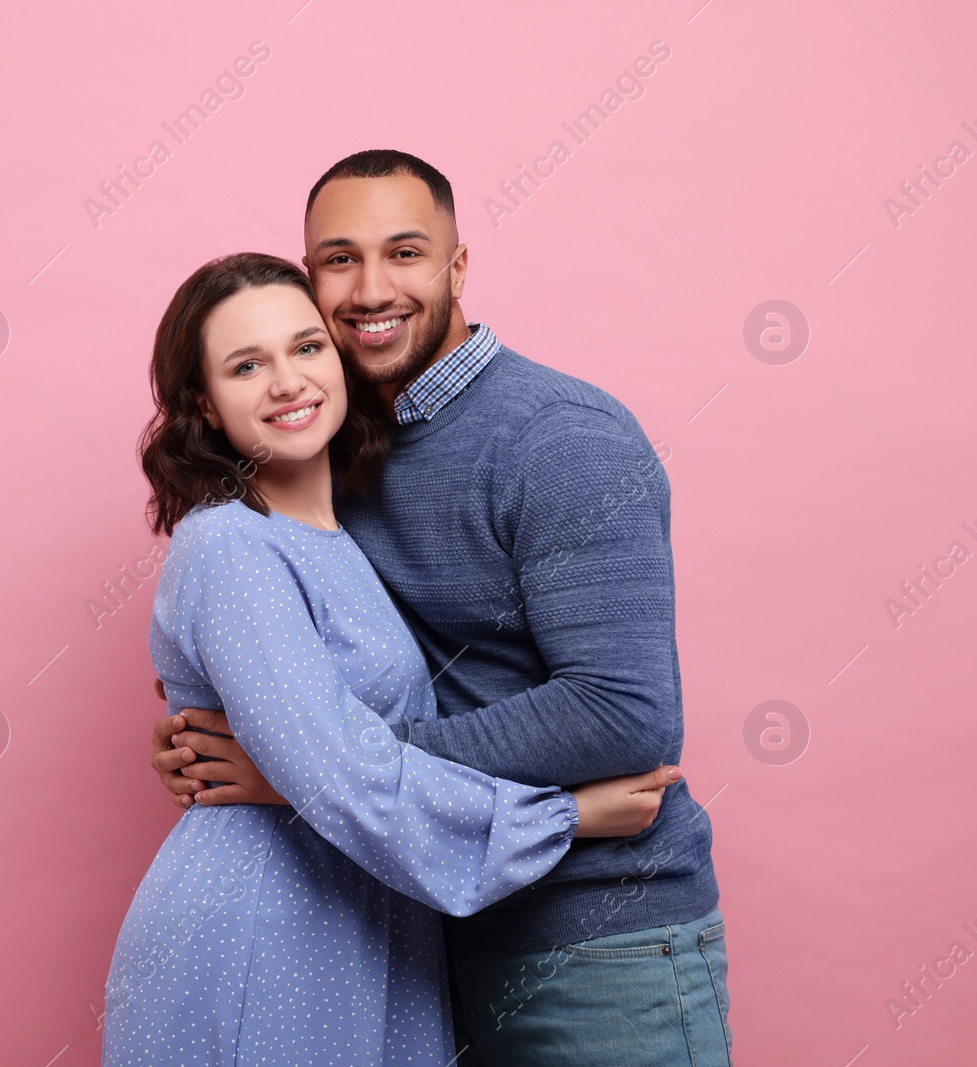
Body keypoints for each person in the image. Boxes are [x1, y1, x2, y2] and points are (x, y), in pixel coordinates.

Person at [148, 150, 732, 1066]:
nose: (372, 287)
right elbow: (272, 651)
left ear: (458, 268)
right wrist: (273, 749)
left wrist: (300, 768)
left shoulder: (561, 439)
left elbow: (624, 713)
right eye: (339, 259)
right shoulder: (326, 454)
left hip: (596, 938)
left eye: (406, 252)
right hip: (410, 938)